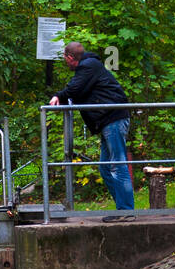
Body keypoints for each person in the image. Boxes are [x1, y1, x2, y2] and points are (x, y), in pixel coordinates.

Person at [49, 41, 135, 219]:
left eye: (65, 59)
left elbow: (73, 88)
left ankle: (127, 211)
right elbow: (77, 91)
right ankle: (123, 209)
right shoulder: (89, 67)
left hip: (113, 119)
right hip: (106, 121)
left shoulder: (88, 66)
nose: (65, 63)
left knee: (117, 165)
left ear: (70, 57)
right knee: (105, 169)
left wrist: (58, 95)